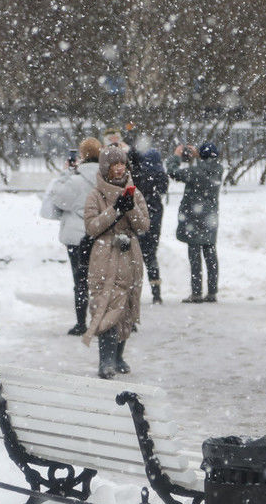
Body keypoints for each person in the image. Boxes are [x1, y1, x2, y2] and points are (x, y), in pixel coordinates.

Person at [81, 143, 149, 379]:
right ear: (105, 168)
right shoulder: (95, 195)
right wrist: (114, 211)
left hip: (130, 256)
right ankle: (106, 361)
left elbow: (143, 226)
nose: (120, 169)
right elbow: (91, 227)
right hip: (105, 257)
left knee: (127, 307)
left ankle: (119, 355)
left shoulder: (134, 192)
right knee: (107, 305)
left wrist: (130, 209)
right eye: (114, 165)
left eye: (122, 164)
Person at [43, 138, 102, 335]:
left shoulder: (74, 180)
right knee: (103, 279)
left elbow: (57, 199)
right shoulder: (108, 176)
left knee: (80, 280)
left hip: (77, 237)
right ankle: (104, 320)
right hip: (101, 234)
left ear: (82, 156)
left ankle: (81, 323)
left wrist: (66, 173)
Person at [167, 141, 223, 303]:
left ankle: (196, 293)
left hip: (194, 218)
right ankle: (212, 292)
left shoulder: (195, 172)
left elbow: (172, 172)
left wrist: (176, 157)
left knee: (194, 255)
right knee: (211, 254)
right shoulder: (218, 169)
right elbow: (209, 164)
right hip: (210, 218)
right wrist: (200, 155)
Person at [129, 143, 168, 304]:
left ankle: (132, 291)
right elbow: (163, 190)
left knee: (133, 256)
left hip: (138, 216)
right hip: (155, 216)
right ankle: (156, 293)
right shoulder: (160, 175)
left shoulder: (136, 175)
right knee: (151, 255)